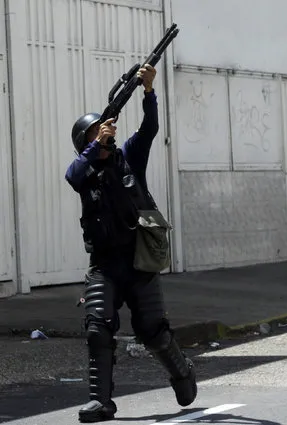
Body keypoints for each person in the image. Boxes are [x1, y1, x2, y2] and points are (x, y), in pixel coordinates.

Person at [65, 64, 197, 423]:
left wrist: (149, 92)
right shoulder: (84, 170)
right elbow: (72, 174)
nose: (104, 136)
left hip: (138, 262)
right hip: (105, 265)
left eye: (104, 130)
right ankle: (101, 402)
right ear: (86, 142)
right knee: (97, 327)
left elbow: (150, 129)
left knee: (152, 332)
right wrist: (95, 148)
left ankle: (182, 372)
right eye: (95, 134)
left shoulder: (128, 158)